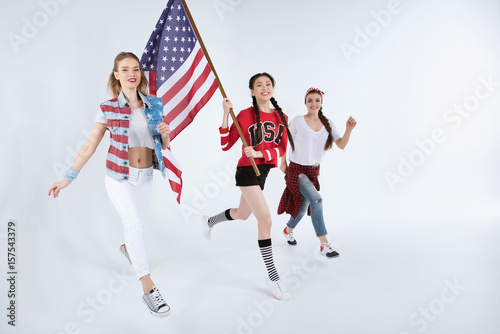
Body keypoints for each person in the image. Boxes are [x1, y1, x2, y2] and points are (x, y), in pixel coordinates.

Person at [48, 52, 172, 318]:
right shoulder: (108, 108)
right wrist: (68, 177)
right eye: (125, 69)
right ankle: (149, 289)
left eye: (136, 69)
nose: (131, 73)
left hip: (146, 176)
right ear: (116, 75)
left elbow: (163, 147)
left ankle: (128, 249)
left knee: (138, 226)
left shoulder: (155, 104)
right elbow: (90, 145)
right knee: (134, 225)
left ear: (140, 75)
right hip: (119, 178)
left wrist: (166, 135)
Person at [201, 73, 294, 301]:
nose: (264, 87)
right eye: (259, 85)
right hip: (246, 172)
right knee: (265, 220)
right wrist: (225, 113)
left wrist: (261, 153)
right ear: (252, 91)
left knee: (243, 214)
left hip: (263, 172)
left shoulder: (282, 117)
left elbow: (282, 149)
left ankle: (209, 221)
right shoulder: (244, 114)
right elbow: (225, 144)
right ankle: (272, 277)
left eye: (268, 84)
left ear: (273, 89)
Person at [278, 87, 356, 257]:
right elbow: (284, 141)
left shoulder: (328, 123)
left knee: (302, 207)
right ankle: (324, 244)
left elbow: (341, 144)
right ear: (305, 103)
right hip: (297, 170)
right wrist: (282, 162)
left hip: (314, 172)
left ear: (322, 103)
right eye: (310, 100)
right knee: (317, 199)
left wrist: (349, 129)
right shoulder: (298, 121)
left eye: (317, 100)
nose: (313, 104)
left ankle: (287, 229)